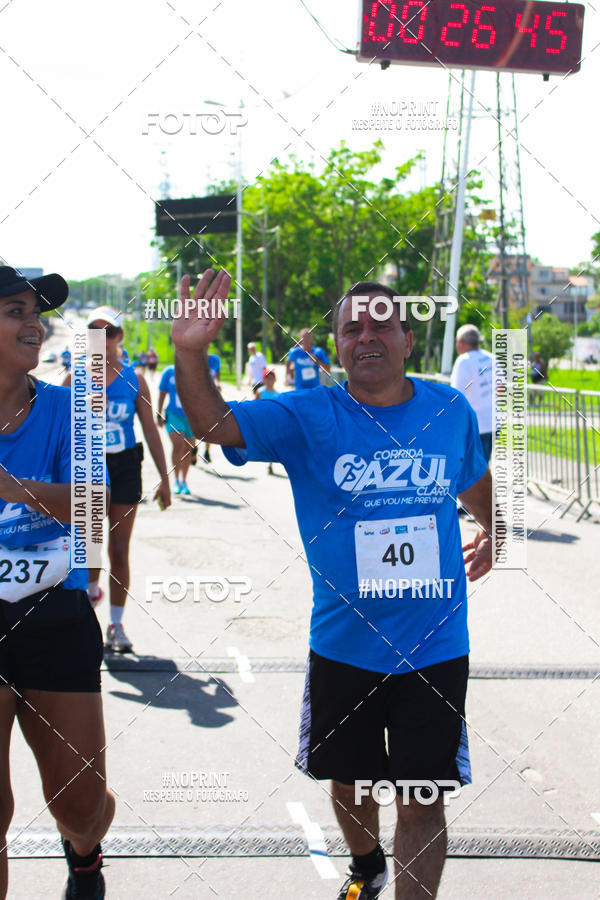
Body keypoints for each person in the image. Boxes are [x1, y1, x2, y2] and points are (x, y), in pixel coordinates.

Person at [174, 272, 493, 900]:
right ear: (338, 347)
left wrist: (496, 528)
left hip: (435, 647)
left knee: (423, 801)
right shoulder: (308, 414)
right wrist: (190, 352)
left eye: (381, 325)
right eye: (352, 329)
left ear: (407, 338)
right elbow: (214, 427)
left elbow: (474, 482)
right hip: (344, 648)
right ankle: (367, 861)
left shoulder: (448, 411)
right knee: (349, 786)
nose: (366, 336)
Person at [0, 266, 114, 899]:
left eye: (35, 312)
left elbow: (94, 507)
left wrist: (9, 486)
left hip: (52, 617)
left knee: (79, 804)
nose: (33, 323)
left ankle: (85, 853)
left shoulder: (72, 409)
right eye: (15, 310)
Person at [64, 306, 171, 653]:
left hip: (125, 466)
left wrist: (165, 478)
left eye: (108, 332)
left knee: (119, 549)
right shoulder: (74, 377)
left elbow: (151, 430)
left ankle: (116, 624)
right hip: (88, 467)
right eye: (94, 332)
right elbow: (58, 429)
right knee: (90, 549)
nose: (101, 339)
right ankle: (89, 603)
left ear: (120, 338)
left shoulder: (134, 379)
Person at [450, 324, 494, 462]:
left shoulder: (464, 361)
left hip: (473, 425)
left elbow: (456, 395)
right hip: (492, 421)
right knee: (483, 466)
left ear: (461, 342)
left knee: (471, 473)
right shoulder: (491, 358)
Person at [157, 364, 197, 495]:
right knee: (178, 444)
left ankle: (183, 481)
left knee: (188, 448)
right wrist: (159, 413)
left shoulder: (196, 370)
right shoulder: (168, 372)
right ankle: (175, 480)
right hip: (173, 415)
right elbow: (162, 392)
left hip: (191, 416)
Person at [253, 368, 280, 475]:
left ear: (275, 380)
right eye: (267, 378)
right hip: (261, 421)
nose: (270, 380)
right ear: (264, 380)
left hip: (272, 422)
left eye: (271, 378)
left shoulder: (277, 395)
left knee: (273, 442)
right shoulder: (260, 392)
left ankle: (270, 464)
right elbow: (254, 405)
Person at [203, 348, 221, 463]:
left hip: (211, 397)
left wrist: (218, 384)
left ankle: (206, 451)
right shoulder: (195, 359)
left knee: (209, 425)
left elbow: (217, 377)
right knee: (195, 424)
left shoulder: (215, 360)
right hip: (197, 397)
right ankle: (193, 448)